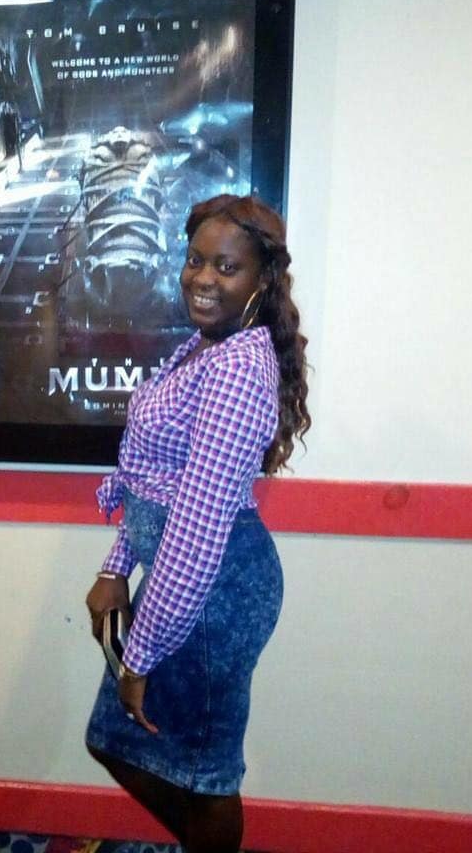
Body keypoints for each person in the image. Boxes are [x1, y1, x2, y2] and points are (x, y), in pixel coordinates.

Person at [85, 194, 311, 853]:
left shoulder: (237, 367)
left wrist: (140, 658)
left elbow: (196, 526)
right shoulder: (205, 348)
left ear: (262, 280)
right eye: (195, 260)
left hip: (212, 593)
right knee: (119, 741)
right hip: (184, 582)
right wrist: (116, 568)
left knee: (206, 774)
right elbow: (153, 478)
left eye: (226, 266)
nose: (202, 278)